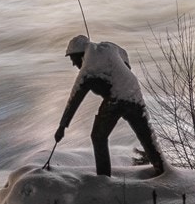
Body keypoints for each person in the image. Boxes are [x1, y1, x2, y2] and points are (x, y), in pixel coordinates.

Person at [55, 34, 166, 177]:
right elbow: (124, 56)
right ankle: (162, 172)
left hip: (116, 98)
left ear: (80, 54)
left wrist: (62, 126)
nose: (73, 63)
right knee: (146, 137)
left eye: (73, 58)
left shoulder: (88, 68)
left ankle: (103, 178)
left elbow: (75, 98)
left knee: (98, 137)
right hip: (134, 92)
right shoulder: (108, 47)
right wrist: (120, 71)